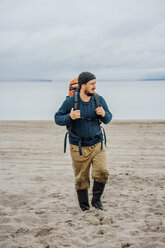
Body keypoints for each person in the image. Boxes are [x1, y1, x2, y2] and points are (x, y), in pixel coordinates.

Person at [54, 72, 112, 211]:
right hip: (78, 146)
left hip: (98, 144)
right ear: (83, 85)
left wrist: (103, 114)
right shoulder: (70, 102)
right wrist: (70, 116)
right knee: (81, 179)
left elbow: (108, 118)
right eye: (92, 84)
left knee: (103, 172)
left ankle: (97, 202)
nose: (95, 87)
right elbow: (57, 119)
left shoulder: (99, 99)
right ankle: (85, 207)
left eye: (95, 83)